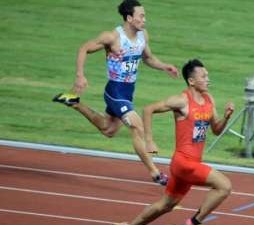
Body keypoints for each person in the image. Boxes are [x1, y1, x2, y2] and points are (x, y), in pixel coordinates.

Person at [113, 59, 235, 225]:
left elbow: (216, 129)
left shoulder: (209, 100)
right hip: (182, 163)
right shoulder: (182, 100)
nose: (207, 79)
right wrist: (150, 141)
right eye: (203, 76)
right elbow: (148, 109)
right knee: (224, 186)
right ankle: (194, 223)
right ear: (191, 81)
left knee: (166, 205)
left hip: (190, 165)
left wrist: (226, 117)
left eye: (207, 76)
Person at [52, 0, 178, 184]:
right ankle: (155, 173)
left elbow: (148, 58)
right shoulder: (112, 37)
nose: (145, 19)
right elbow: (84, 48)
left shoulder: (143, 35)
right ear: (129, 18)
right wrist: (80, 76)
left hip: (128, 92)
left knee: (108, 129)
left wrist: (164, 66)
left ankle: (75, 103)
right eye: (141, 16)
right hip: (114, 91)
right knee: (137, 126)